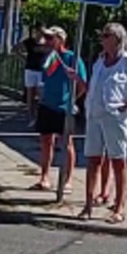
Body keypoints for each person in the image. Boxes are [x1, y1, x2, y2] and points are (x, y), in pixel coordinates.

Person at [75, 23, 127, 224]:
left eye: (106, 36)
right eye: (102, 35)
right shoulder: (99, 61)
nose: (102, 39)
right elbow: (94, 86)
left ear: (117, 39)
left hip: (115, 118)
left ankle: (119, 206)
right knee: (93, 159)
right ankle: (88, 204)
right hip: (95, 115)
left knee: (118, 160)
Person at [32, 26, 86, 194]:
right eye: (46, 38)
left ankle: (68, 180)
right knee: (46, 141)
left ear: (61, 40)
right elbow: (44, 80)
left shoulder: (71, 58)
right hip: (47, 105)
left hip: (64, 107)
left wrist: (73, 100)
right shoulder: (49, 58)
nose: (47, 41)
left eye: (51, 38)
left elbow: (83, 84)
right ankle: (44, 177)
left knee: (67, 142)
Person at [14, 24, 50, 127]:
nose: (40, 33)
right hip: (30, 70)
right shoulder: (29, 42)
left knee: (40, 95)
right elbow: (16, 49)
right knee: (30, 94)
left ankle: (39, 117)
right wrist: (23, 59)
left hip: (41, 70)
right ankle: (31, 117)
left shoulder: (47, 43)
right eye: (38, 31)